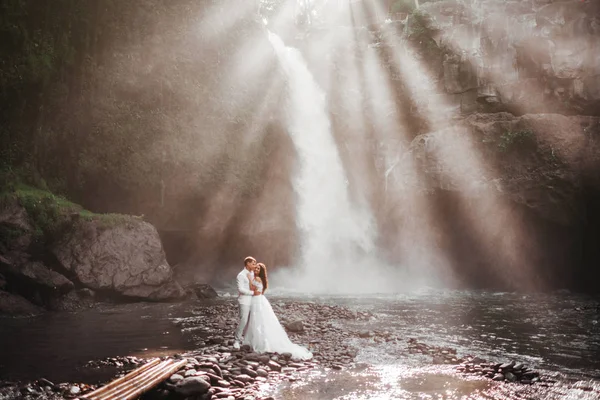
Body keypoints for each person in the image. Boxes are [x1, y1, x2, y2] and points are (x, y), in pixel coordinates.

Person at [243, 262, 313, 360]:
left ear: (261, 271)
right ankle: (255, 340)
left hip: (257, 300)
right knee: (257, 320)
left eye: (258, 269)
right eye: (256, 268)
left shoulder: (257, 279)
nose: (256, 270)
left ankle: (259, 342)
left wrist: (249, 280)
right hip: (258, 300)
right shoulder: (256, 278)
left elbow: (254, 290)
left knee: (258, 320)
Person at [234, 256, 260, 350]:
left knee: (252, 320)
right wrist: (253, 293)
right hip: (244, 301)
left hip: (254, 300)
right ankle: (236, 341)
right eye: (253, 263)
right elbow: (240, 289)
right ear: (248, 264)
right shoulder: (241, 275)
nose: (255, 265)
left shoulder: (253, 273)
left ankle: (248, 340)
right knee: (243, 320)